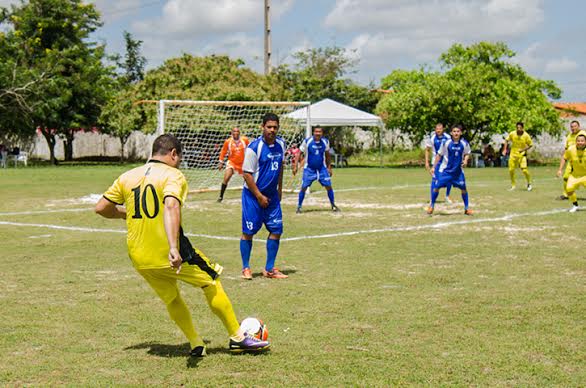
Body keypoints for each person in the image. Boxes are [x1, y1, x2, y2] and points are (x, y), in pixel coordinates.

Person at [94, 134, 269, 357]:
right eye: (179, 158)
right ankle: (238, 338)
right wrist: (173, 247)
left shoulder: (127, 176)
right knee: (211, 280)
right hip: (170, 253)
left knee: (172, 298)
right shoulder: (173, 175)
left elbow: (101, 208)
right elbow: (170, 206)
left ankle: (196, 343)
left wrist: (125, 213)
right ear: (173, 154)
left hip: (140, 257)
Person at [240, 113, 287, 280]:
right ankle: (245, 267)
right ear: (263, 127)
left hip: (272, 196)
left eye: (275, 127)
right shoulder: (254, 148)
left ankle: (269, 269)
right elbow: (246, 175)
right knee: (248, 231)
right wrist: (259, 196)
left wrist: (279, 189)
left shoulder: (281, 144)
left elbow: (280, 167)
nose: (272, 130)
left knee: (276, 230)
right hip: (253, 196)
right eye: (269, 127)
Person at [427, 124, 472, 215]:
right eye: (454, 131)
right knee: (436, 187)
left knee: (463, 189)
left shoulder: (464, 143)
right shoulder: (446, 143)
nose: (456, 133)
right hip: (446, 171)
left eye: (458, 131)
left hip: (458, 172)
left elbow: (467, 153)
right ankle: (431, 206)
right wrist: (434, 167)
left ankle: (467, 208)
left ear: (461, 133)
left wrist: (465, 160)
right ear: (451, 133)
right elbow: (439, 155)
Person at [294, 127, 339, 213]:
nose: (318, 133)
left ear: (322, 133)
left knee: (329, 186)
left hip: (322, 169)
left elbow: (327, 155)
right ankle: (299, 207)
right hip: (309, 169)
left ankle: (333, 205)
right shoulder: (307, 141)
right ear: (313, 132)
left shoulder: (325, 142)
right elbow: (299, 152)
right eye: (316, 131)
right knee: (303, 187)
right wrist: (295, 165)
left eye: (320, 132)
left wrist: (329, 167)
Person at [217, 127, 249, 202]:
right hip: (232, 162)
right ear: (231, 133)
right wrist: (221, 162)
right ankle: (220, 197)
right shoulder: (228, 142)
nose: (236, 133)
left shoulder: (245, 140)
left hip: (243, 163)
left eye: (237, 131)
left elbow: (251, 148)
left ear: (239, 133)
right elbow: (223, 151)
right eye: (234, 131)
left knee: (248, 180)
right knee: (226, 178)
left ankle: (248, 196)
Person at [557, 133, 586, 212]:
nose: (580, 142)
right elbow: (564, 158)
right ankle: (575, 205)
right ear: (576, 142)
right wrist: (560, 169)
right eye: (578, 141)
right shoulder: (571, 149)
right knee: (569, 189)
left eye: (582, 141)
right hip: (575, 175)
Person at [425, 123, 452, 203]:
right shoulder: (432, 138)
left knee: (449, 179)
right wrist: (426, 162)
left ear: (443, 129)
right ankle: (432, 198)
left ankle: (447, 196)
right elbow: (427, 149)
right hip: (436, 162)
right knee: (434, 179)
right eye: (437, 129)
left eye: (440, 129)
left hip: (446, 162)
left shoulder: (448, 137)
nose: (438, 130)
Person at [502, 122, 533, 191]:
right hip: (513, 155)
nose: (518, 129)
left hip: (522, 155)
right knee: (511, 170)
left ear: (522, 128)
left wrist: (523, 150)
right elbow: (506, 140)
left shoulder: (526, 135)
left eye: (520, 128)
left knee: (524, 170)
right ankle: (513, 185)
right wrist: (504, 149)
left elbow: (530, 145)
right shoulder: (512, 133)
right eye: (517, 128)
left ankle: (529, 183)